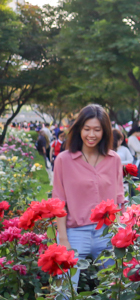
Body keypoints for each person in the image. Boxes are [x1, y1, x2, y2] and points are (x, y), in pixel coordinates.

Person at [52, 104, 125, 290]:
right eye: (87, 129)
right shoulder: (64, 160)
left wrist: (118, 233)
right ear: (79, 129)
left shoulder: (114, 159)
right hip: (75, 233)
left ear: (105, 132)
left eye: (97, 130)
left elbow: (118, 199)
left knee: (115, 291)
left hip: (106, 233)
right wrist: (63, 239)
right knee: (65, 293)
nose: (91, 135)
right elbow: (59, 202)